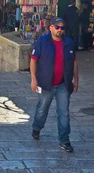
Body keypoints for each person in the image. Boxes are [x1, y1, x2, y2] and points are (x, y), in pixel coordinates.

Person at [30, 17, 79, 153]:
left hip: (63, 83)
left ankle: (64, 140)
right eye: (57, 27)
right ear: (51, 27)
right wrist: (33, 79)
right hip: (46, 83)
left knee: (64, 112)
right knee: (42, 109)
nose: (60, 30)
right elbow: (33, 60)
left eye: (62, 28)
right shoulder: (42, 42)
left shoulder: (68, 43)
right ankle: (36, 127)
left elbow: (74, 62)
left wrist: (76, 80)